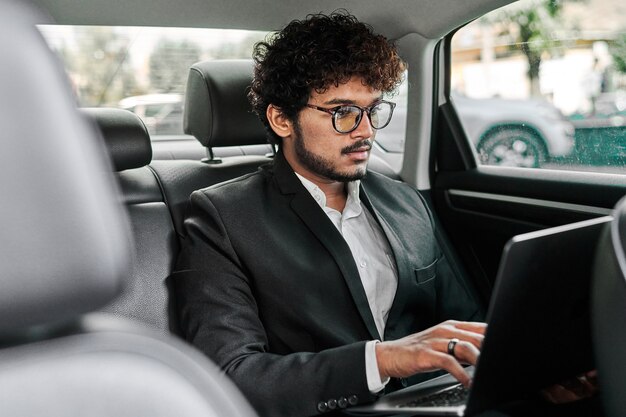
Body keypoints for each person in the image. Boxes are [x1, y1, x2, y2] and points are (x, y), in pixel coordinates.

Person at [173, 12, 487, 417]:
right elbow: (232, 374)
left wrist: (523, 374)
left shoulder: (406, 201)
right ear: (282, 119)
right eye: (343, 112)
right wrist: (383, 360)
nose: (366, 131)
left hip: (446, 401)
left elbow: (469, 324)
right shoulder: (223, 218)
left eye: (372, 110)